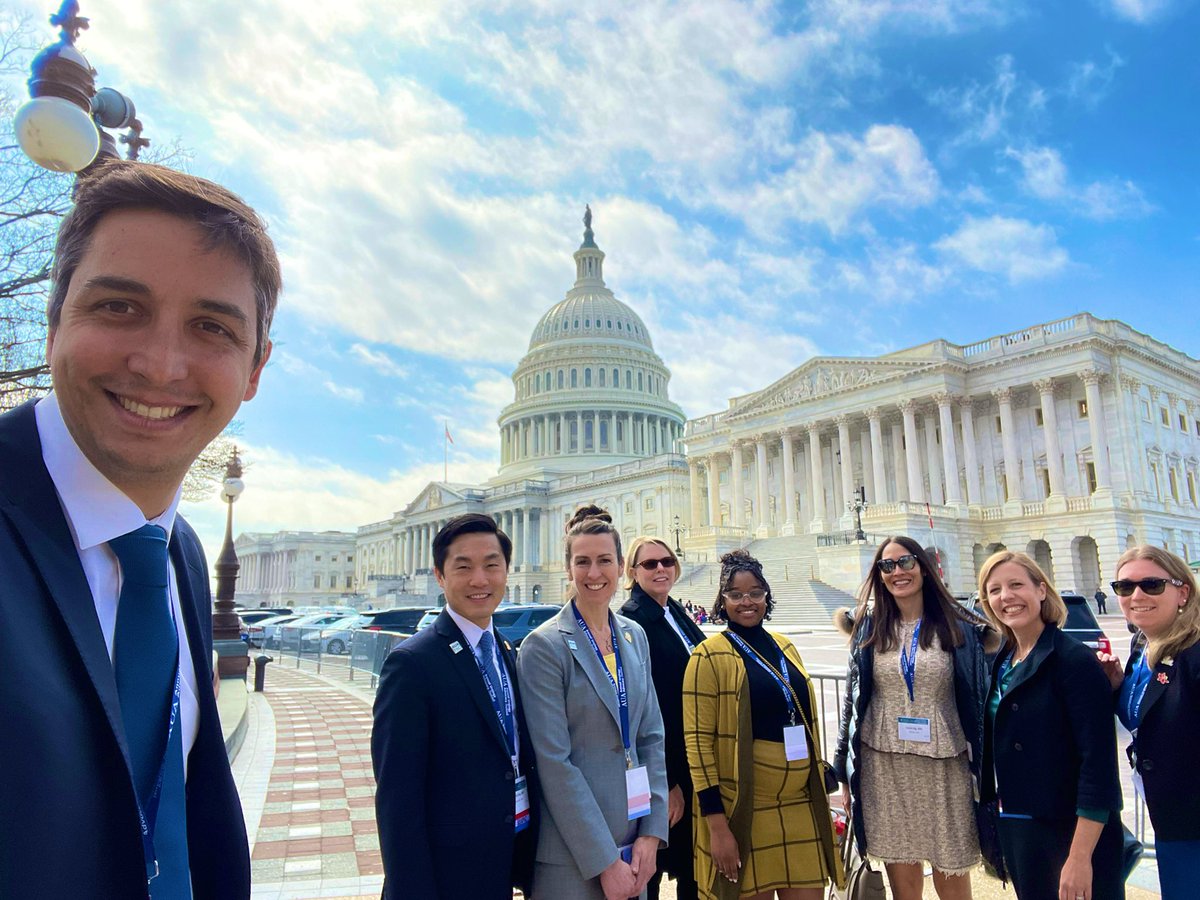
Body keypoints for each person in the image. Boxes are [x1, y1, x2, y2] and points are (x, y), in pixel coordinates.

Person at [0, 160, 279, 897]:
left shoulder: (176, 550)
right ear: (55, 316)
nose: (160, 365)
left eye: (211, 327)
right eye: (119, 307)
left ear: (255, 369)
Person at [371, 514, 538, 898]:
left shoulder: (505, 650)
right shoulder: (412, 663)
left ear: (506, 571)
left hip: (503, 854)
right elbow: (398, 796)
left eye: (492, 565)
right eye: (463, 567)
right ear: (440, 576)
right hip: (445, 874)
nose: (480, 580)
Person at [833, 537, 1003, 900]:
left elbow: (982, 694)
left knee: (952, 873)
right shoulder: (869, 626)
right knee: (903, 881)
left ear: (924, 567)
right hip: (884, 763)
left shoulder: (959, 628)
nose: (898, 572)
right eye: (887, 566)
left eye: (905, 562)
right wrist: (843, 769)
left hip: (945, 764)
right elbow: (853, 699)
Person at [518, 505, 669, 899]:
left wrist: (652, 834)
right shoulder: (543, 647)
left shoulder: (634, 636)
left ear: (621, 567)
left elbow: (651, 737)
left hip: (636, 844)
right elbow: (555, 763)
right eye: (582, 562)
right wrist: (604, 860)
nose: (594, 573)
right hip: (573, 856)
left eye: (604, 561)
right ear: (567, 569)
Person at [684, 549, 843, 900]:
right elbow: (698, 747)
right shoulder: (707, 656)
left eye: (755, 592)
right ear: (722, 600)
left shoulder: (786, 647)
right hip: (746, 807)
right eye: (736, 594)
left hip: (798, 801)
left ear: (766, 595)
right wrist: (717, 827)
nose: (747, 601)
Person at [978, 551, 1124, 900]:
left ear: (1041, 590)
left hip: (1071, 832)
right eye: (994, 590)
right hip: (1023, 825)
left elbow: (1098, 767)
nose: (1006, 597)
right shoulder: (1003, 659)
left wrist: (1079, 858)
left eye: (1016, 585)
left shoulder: (1074, 660)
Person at [1099, 546, 1199, 898]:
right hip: (1169, 816)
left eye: (1152, 585)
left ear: (1182, 591)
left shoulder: (1195, 652)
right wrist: (1115, 690)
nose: (1136, 595)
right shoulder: (1144, 645)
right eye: (1124, 587)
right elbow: (1146, 712)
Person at [620, 537, 706, 900]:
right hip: (667, 766)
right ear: (633, 572)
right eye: (650, 564)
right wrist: (666, 782)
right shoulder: (629, 620)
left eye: (667, 562)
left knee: (694, 865)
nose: (660, 569)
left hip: (695, 759)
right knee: (651, 866)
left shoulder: (676, 612)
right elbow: (641, 710)